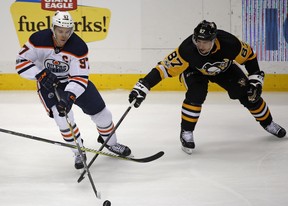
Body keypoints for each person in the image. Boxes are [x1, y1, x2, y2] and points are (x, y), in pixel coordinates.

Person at [128, 20, 286, 154]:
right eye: (199, 41)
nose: (201, 46)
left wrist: (255, 78)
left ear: (214, 39)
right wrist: (144, 85)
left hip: (224, 69)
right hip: (194, 71)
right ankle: (186, 131)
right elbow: (164, 68)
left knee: (248, 93)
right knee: (197, 93)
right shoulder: (187, 49)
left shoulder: (230, 43)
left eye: (205, 42)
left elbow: (249, 56)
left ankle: (268, 123)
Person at [16, 11, 132, 169]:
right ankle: (78, 152)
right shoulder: (38, 39)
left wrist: (69, 96)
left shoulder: (78, 46)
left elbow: (79, 76)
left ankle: (110, 143)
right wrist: (40, 74)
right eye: (60, 31)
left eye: (67, 31)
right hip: (49, 84)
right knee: (63, 119)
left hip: (73, 82)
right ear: (53, 29)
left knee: (103, 115)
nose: (64, 35)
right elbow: (21, 61)